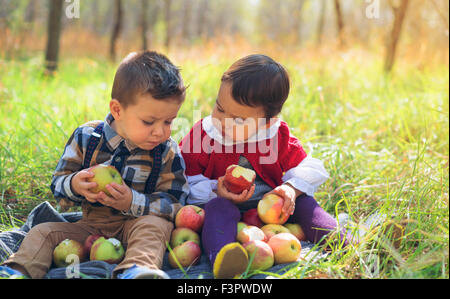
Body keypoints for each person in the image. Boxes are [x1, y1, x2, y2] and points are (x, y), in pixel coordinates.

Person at [0, 51, 190, 279]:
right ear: (117, 110)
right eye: (149, 122)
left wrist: (133, 201)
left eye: (168, 121)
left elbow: (178, 202)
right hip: (90, 227)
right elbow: (58, 186)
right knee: (43, 231)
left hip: (136, 225)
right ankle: (18, 271)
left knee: (156, 227)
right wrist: (75, 185)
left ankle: (137, 270)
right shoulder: (87, 137)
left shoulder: (166, 150)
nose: (160, 131)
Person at [179, 54, 352, 279]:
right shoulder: (204, 134)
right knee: (218, 210)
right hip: (225, 207)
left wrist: (291, 188)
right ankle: (224, 258)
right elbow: (185, 177)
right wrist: (214, 191)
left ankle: (344, 242)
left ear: (267, 122)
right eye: (219, 108)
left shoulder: (276, 136)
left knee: (305, 204)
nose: (222, 121)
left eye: (238, 120)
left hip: (274, 215)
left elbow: (309, 168)